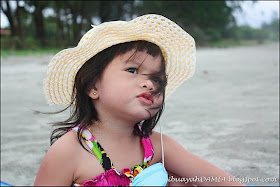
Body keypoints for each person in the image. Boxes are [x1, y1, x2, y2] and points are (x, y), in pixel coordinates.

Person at [34, 14, 245, 186]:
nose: (150, 84)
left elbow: (218, 181)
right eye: (133, 70)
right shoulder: (69, 151)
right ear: (92, 86)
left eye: (157, 79)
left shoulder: (157, 145)